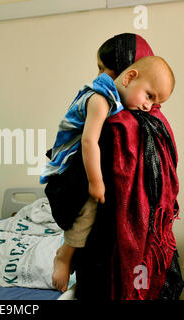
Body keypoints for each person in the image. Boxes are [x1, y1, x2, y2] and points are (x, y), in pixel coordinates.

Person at [41, 55, 175, 293]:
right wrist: (96, 182)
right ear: (130, 77)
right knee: (88, 209)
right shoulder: (100, 100)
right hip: (64, 165)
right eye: (149, 95)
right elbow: (89, 142)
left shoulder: (117, 100)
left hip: (78, 160)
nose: (148, 106)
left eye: (154, 103)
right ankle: (63, 256)